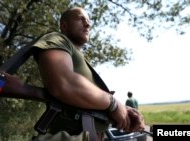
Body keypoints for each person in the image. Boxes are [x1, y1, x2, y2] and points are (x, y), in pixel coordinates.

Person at [31, 7, 145, 141]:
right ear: (64, 25)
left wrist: (123, 111)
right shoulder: (56, 39)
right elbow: (64, 83)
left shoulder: (80, 60)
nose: (87, 24)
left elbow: (90, 99)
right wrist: (113, 103)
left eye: (88, 21)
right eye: (80, 19)